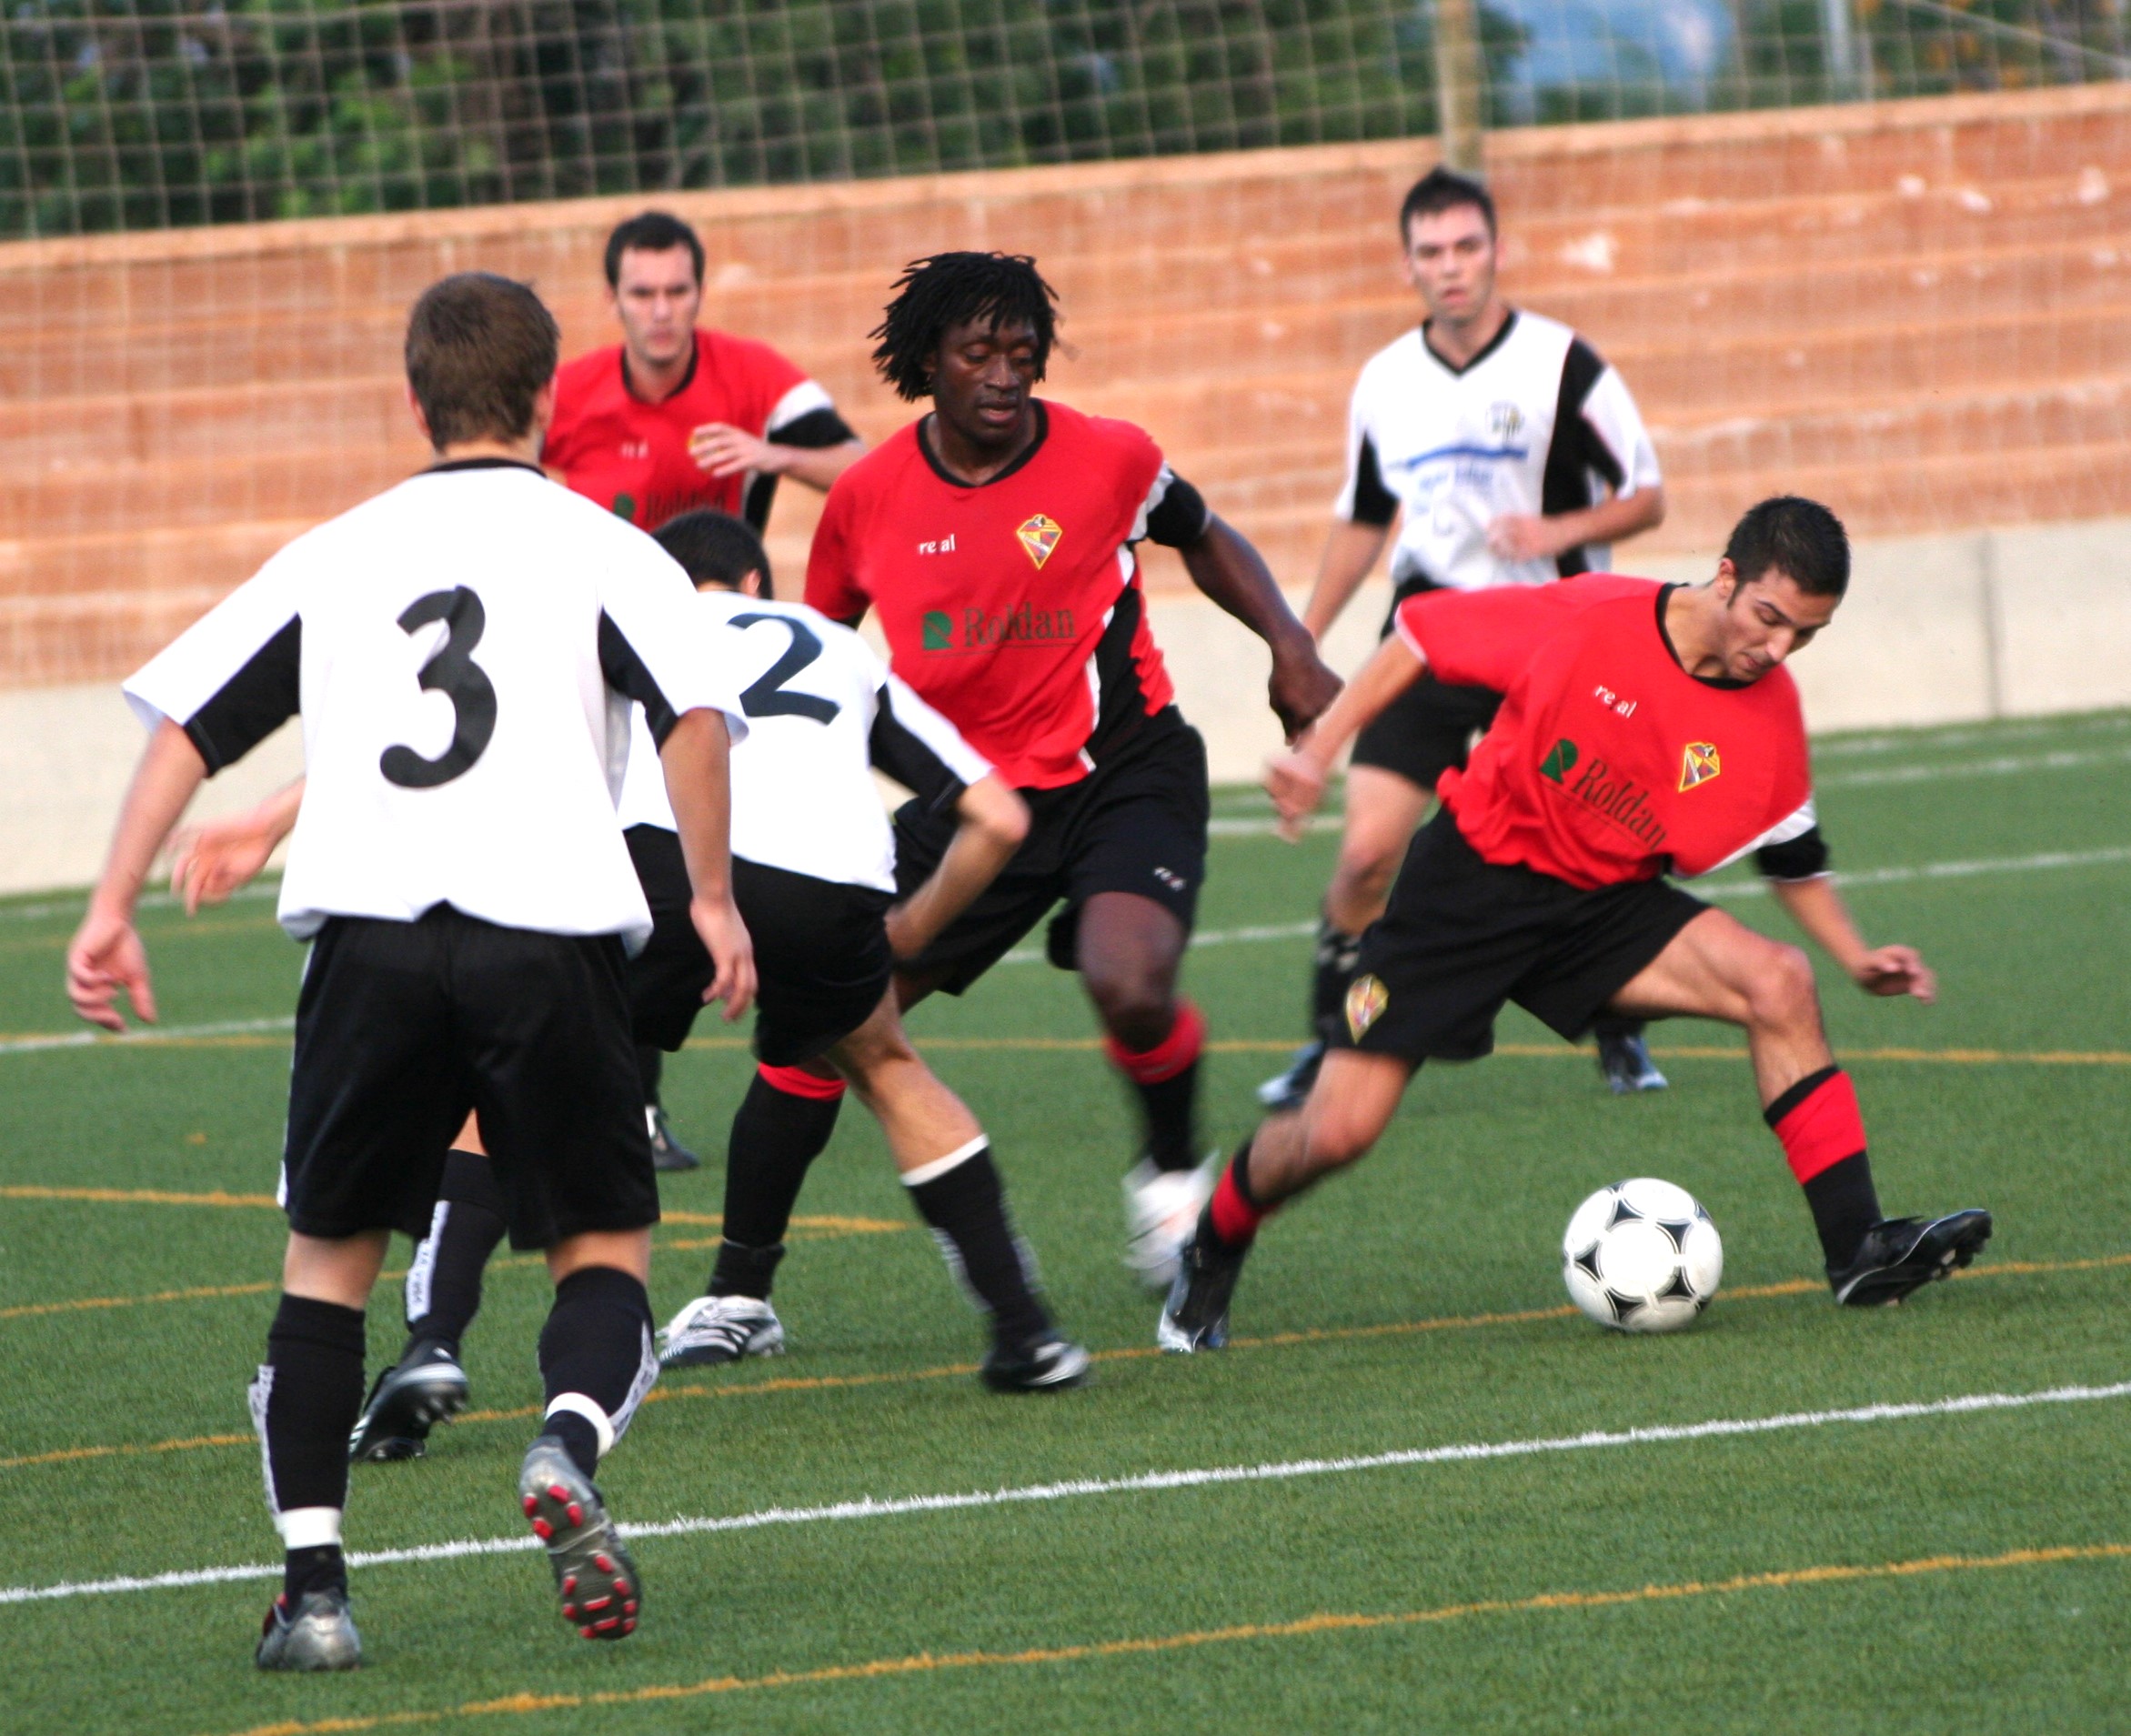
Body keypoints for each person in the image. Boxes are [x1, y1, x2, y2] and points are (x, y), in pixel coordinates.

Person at [65, 273, 757, 1668]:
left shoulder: (337, 551)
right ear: (549, 396)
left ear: (414, 399)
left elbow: (190, 726)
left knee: (326, 1270)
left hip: (370, 940)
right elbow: (692, 713)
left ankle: (315, 1593)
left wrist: (111, 902)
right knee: (600, 1249)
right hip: (547, 935)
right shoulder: (605, 548)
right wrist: (708, 893)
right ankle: (564, 1445)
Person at [176, 511, 1090, 1462]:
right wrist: (909, 932)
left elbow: (459, 727)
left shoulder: (630, 618)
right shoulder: (835, 644)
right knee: (887, 1064)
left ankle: (432, 1342)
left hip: (665, 862)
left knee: (499, 1084)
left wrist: (270, 818)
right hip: (827, 888)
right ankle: (1027, 1331)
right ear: (755, 580)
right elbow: (997, 817)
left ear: (669, 577)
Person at [1161, 497, 1993, 1353]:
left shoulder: (1769, 710)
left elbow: (1791, 852)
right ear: (1726, 577)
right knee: (1336, 1131)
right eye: (1769, 617)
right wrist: (1316, 750)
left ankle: (1857, 1249)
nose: (1777, 649)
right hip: (1467, 890)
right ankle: (1216, 1236)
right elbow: (1419, 635)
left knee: (1778, 979)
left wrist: (1855, 956)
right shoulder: (1593, 613)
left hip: (1601, 906)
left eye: (1804, 635)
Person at [803, 252, 1343, 1289]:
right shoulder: (866, 497)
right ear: (928, 361)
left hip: (1121, 774)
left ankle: (1172, 1178)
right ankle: (741, 1285)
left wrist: (1290, 645)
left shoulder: (1109, 456)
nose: (1005, 373)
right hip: (975, 807)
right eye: (979, 352)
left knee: (1128, 983)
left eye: (1023, 351)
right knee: (832, 1008)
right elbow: (817, 651)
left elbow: (1203, 533)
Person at [1258, 166, 1672, 1116]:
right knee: (1366, 857)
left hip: (1551, 637)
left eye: (1467, 247)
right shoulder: (1384, 381)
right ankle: (1330, 1037)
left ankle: (1619, 1024)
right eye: (1432, 252)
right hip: (1428, 636)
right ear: (1407, 265)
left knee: (1591, 845)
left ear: (1497, 251)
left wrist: (1556, 531)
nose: (1451, 266)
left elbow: (1647, 497)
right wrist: (1301, 637)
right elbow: (1365, 518)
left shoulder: (1563, 364)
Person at [543, 208, 869, 1171]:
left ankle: (645, 1090)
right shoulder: (570, 394)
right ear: (614, 300)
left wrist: (775, 457)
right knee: (619, 869)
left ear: (698, 292)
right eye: (642, 293)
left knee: (682, 865)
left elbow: (864, 466)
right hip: (601, 657)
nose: (661, 310)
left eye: (677, 291)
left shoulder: (754, 378)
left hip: (714, 659)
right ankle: (626, 1101)